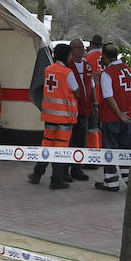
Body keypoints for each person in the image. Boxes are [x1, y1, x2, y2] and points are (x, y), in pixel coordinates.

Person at [28, 43, 79, 190]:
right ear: (65, 55)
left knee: (47, 146)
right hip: (64, 117)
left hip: (49, 116)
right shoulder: (67, 72)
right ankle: (56, 180)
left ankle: (37, 174)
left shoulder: (48, 70)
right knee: (60, 149)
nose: (71, 57)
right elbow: (76, 92)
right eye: (70, 54)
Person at [95, 43, 131, 192]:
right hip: (128, 117)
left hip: (112, 118)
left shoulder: (107, 73)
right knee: (125, 149)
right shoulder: (128, 70)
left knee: (109, 149)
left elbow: (109, 97)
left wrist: (118, 114)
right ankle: (127, 179)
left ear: (104, 56)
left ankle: (111, 182)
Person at [67, 39, 96, 178]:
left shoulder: (88, 66)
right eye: (78, 47)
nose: (81, 50)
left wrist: (95, 103)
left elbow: (92, 86)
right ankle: (65, 170)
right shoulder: (68, 66)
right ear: (71, 49)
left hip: (85, 110)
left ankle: (77, 169)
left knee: (81, 140)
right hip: (71, 110)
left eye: (82, 47)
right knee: (69, 140)